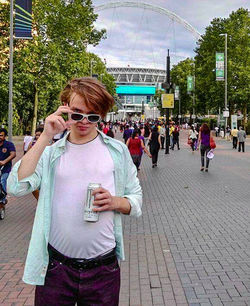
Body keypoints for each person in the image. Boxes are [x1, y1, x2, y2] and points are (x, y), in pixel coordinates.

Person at [8, 77, 142, 306]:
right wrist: (46, 137)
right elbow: (15, 187)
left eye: (93, 116)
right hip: (57, 269)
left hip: (104, 270)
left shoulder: (117, 151)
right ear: (65, 108)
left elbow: (136, 201)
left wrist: (115, 202)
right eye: (77, 114)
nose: (84, 122)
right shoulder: (51, 153)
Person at [0, 128, 16, 205]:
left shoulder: (9, 144)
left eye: (1, 135)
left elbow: (13, 154)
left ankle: (3, 198)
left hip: (5, 168)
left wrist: (4, 162)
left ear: (5, 136)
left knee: (3, 180)